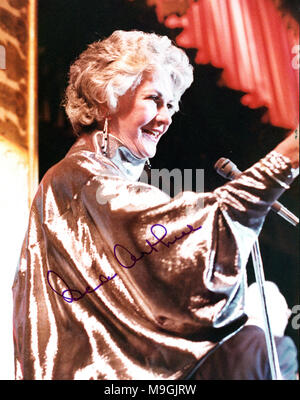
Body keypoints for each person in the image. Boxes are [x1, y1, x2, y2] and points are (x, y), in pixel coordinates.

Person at [12, 30, 299, 380]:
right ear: (106, 99)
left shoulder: (82, 179)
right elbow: (192, 240)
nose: (165, 118)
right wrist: (288, 155)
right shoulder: (82, 179)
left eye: (172, 106)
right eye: (154, 99)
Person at [190, 282, 299, 380]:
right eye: (286, 314)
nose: (286, 321)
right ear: (273, 313)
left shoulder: (211, 346)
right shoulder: (279, 347)